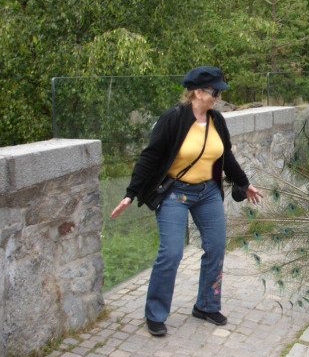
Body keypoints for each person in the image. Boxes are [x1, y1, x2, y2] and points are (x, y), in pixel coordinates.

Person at [110, 66, 263, 336]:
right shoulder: (173, 119)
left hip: (208, 193)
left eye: (219, 92)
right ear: (196, 92)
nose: (217, 97)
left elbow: (225, 157)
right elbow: (150, 157)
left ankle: (206, 305)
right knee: (171, 253)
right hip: (175, 194)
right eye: (214, 91)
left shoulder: (217, 120)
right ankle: (155, 313)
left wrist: (244, 182)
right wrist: (130, 193)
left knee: (216, 248)